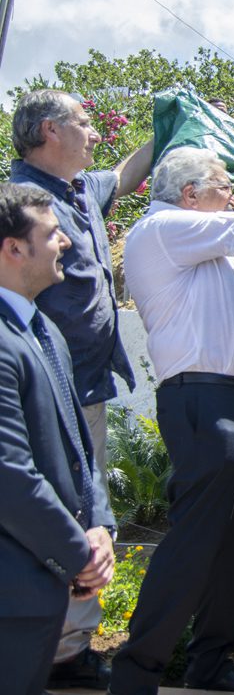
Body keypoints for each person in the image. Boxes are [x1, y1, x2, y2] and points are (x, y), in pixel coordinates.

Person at [109, 150, 234, 695]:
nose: (231, 198)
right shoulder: (164, 228)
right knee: (197, 538)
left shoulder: (209, 256)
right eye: (223, 189)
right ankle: (137, 672)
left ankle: (210, 662)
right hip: (207, 403)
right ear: (190, 193)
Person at [9, 88, 152, 689]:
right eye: (85, 123)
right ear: (49, 130)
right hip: (36, 383)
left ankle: (67, 645)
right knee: (52, 511)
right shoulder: (20, 205)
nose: (94, 133)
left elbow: (122, 176)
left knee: (89, 507)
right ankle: (58, 651)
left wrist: (169, 119)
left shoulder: (79, 190)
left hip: (80, 381)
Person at [0, 183, 116, 695]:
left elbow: (77, 446)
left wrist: (99, 525)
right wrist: (77, 552)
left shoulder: (42, 328)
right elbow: (9, 471)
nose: (66, 243)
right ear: (14, 248)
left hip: (38, 591)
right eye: (52, 234)